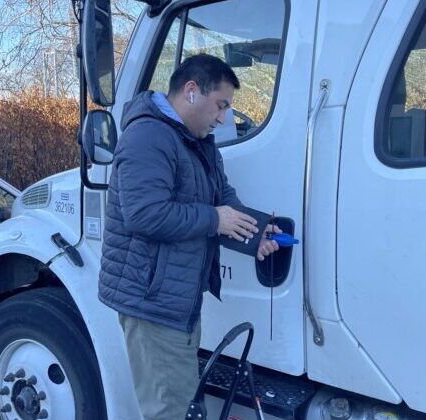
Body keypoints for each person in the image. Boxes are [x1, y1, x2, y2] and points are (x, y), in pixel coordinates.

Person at [98, 53, 280, 420]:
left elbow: (221, 195)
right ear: (192, 91)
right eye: (221, 105)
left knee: (180, 402)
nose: (223, 118)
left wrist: (254, 233)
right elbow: (144, 213)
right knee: (171, 411)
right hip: (152, 304)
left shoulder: (198, 140)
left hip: (177, 301)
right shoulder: (148, 136)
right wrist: (215, 220)